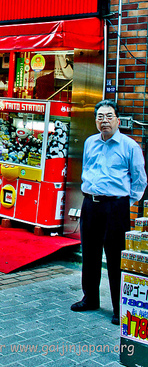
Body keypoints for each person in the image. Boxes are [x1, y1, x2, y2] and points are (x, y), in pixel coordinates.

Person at [71, 99, 147, 325]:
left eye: (109, 116)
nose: (104, 121)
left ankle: (119, 307)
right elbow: (87, 168)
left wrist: (123, 203)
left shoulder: (129, 146)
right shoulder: (90, 142)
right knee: (89, 253)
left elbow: (140, 180)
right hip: (90, 204)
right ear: (95, 120)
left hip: (116, 206)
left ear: (118, 120)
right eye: (100, 117)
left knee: (115, 257)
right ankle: (90, 299)